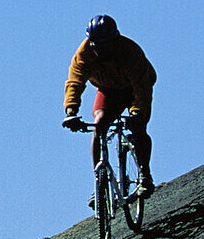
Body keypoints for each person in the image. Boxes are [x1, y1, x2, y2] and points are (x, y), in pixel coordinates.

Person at [62, 15, 156, 199]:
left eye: (106, 45)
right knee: (99, 124)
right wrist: (71, 111)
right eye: (97, 45)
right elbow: (75, 82)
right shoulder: (84, 54)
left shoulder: (129, 52)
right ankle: (100, 181)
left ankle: (145, 174)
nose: (101, 50)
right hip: (108, 90)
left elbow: (142, 88)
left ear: (115, 40)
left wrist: (137, 113)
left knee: (138, 130)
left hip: (135, 89)